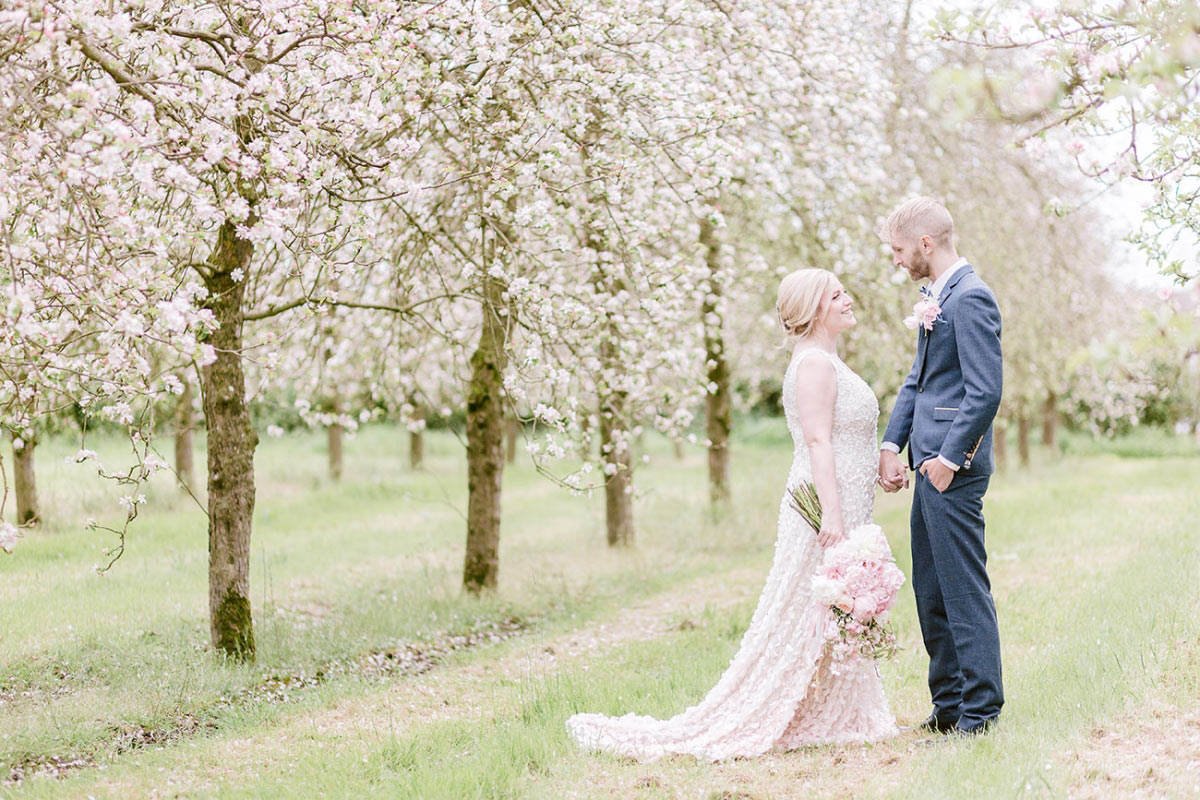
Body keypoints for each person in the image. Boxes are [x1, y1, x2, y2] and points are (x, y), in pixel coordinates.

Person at [566, 268, 898, 761]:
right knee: (803, 610)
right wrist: (833, 515)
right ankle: (773, 709)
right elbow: (817, 441)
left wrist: (879, 467)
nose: (848, 300)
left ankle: (833, 706)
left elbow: (844, 435)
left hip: (846, 498)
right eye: (836, 295)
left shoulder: (827, 359)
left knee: (827, 609)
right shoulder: (814, 365)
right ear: (813, 310)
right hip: (823, 509)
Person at [877, 196, 1004, 736]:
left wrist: (950, 459)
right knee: (931, 591)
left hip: (951, 469)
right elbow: (919, 380)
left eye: (901, 250)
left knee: (961, 590)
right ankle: (948, 706)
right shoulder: (938, 296)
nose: (898, 261)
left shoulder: (971, 298)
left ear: (926, 244)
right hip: (927, 466)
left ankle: (981, 711)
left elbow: (985, 391)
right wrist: (891, 443)